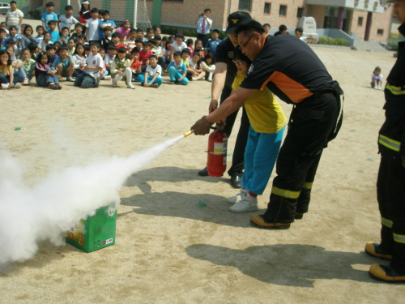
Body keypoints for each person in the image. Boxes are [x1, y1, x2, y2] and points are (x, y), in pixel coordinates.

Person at [191, 19, 343, 229]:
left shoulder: (266, 59)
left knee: (291, 160)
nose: (242, 50)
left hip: (316, 106)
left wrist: (207, 120)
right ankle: (297, 207)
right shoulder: (283, 40)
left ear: (257, 37)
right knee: (306, 159)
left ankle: (279, 215)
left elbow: (236, 99)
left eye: (244, 44)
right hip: (320, 103)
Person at [366, 0, 405, 283]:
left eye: (400, 4)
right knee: (388, 196)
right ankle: (390, 246)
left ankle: (402, 264)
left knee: (402, 203)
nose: (396, 10)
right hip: (393, 139)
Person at [226, 47, 286, 213]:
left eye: (241, 63)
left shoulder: (255, 80)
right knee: (249, 159)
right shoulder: (239, 76)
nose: (238, 65)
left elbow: (235, 101)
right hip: (256, 123)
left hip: (271, 125)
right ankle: (245, 192)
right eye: (236, 62)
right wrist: (221, 116)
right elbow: (231, 96)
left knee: (261, 163)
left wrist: (212, 118)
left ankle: (251, 199)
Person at [197, 11, 252, 189]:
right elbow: (220, 71)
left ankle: (237, 171)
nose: (234, 37)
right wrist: (214, 98)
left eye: (238, 33)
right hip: (230, 90)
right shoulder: (224, 47)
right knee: (222, 127)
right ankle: (214, 163)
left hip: (253, 94)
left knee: (245, 132)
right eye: (231, 32)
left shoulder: (255, 46)